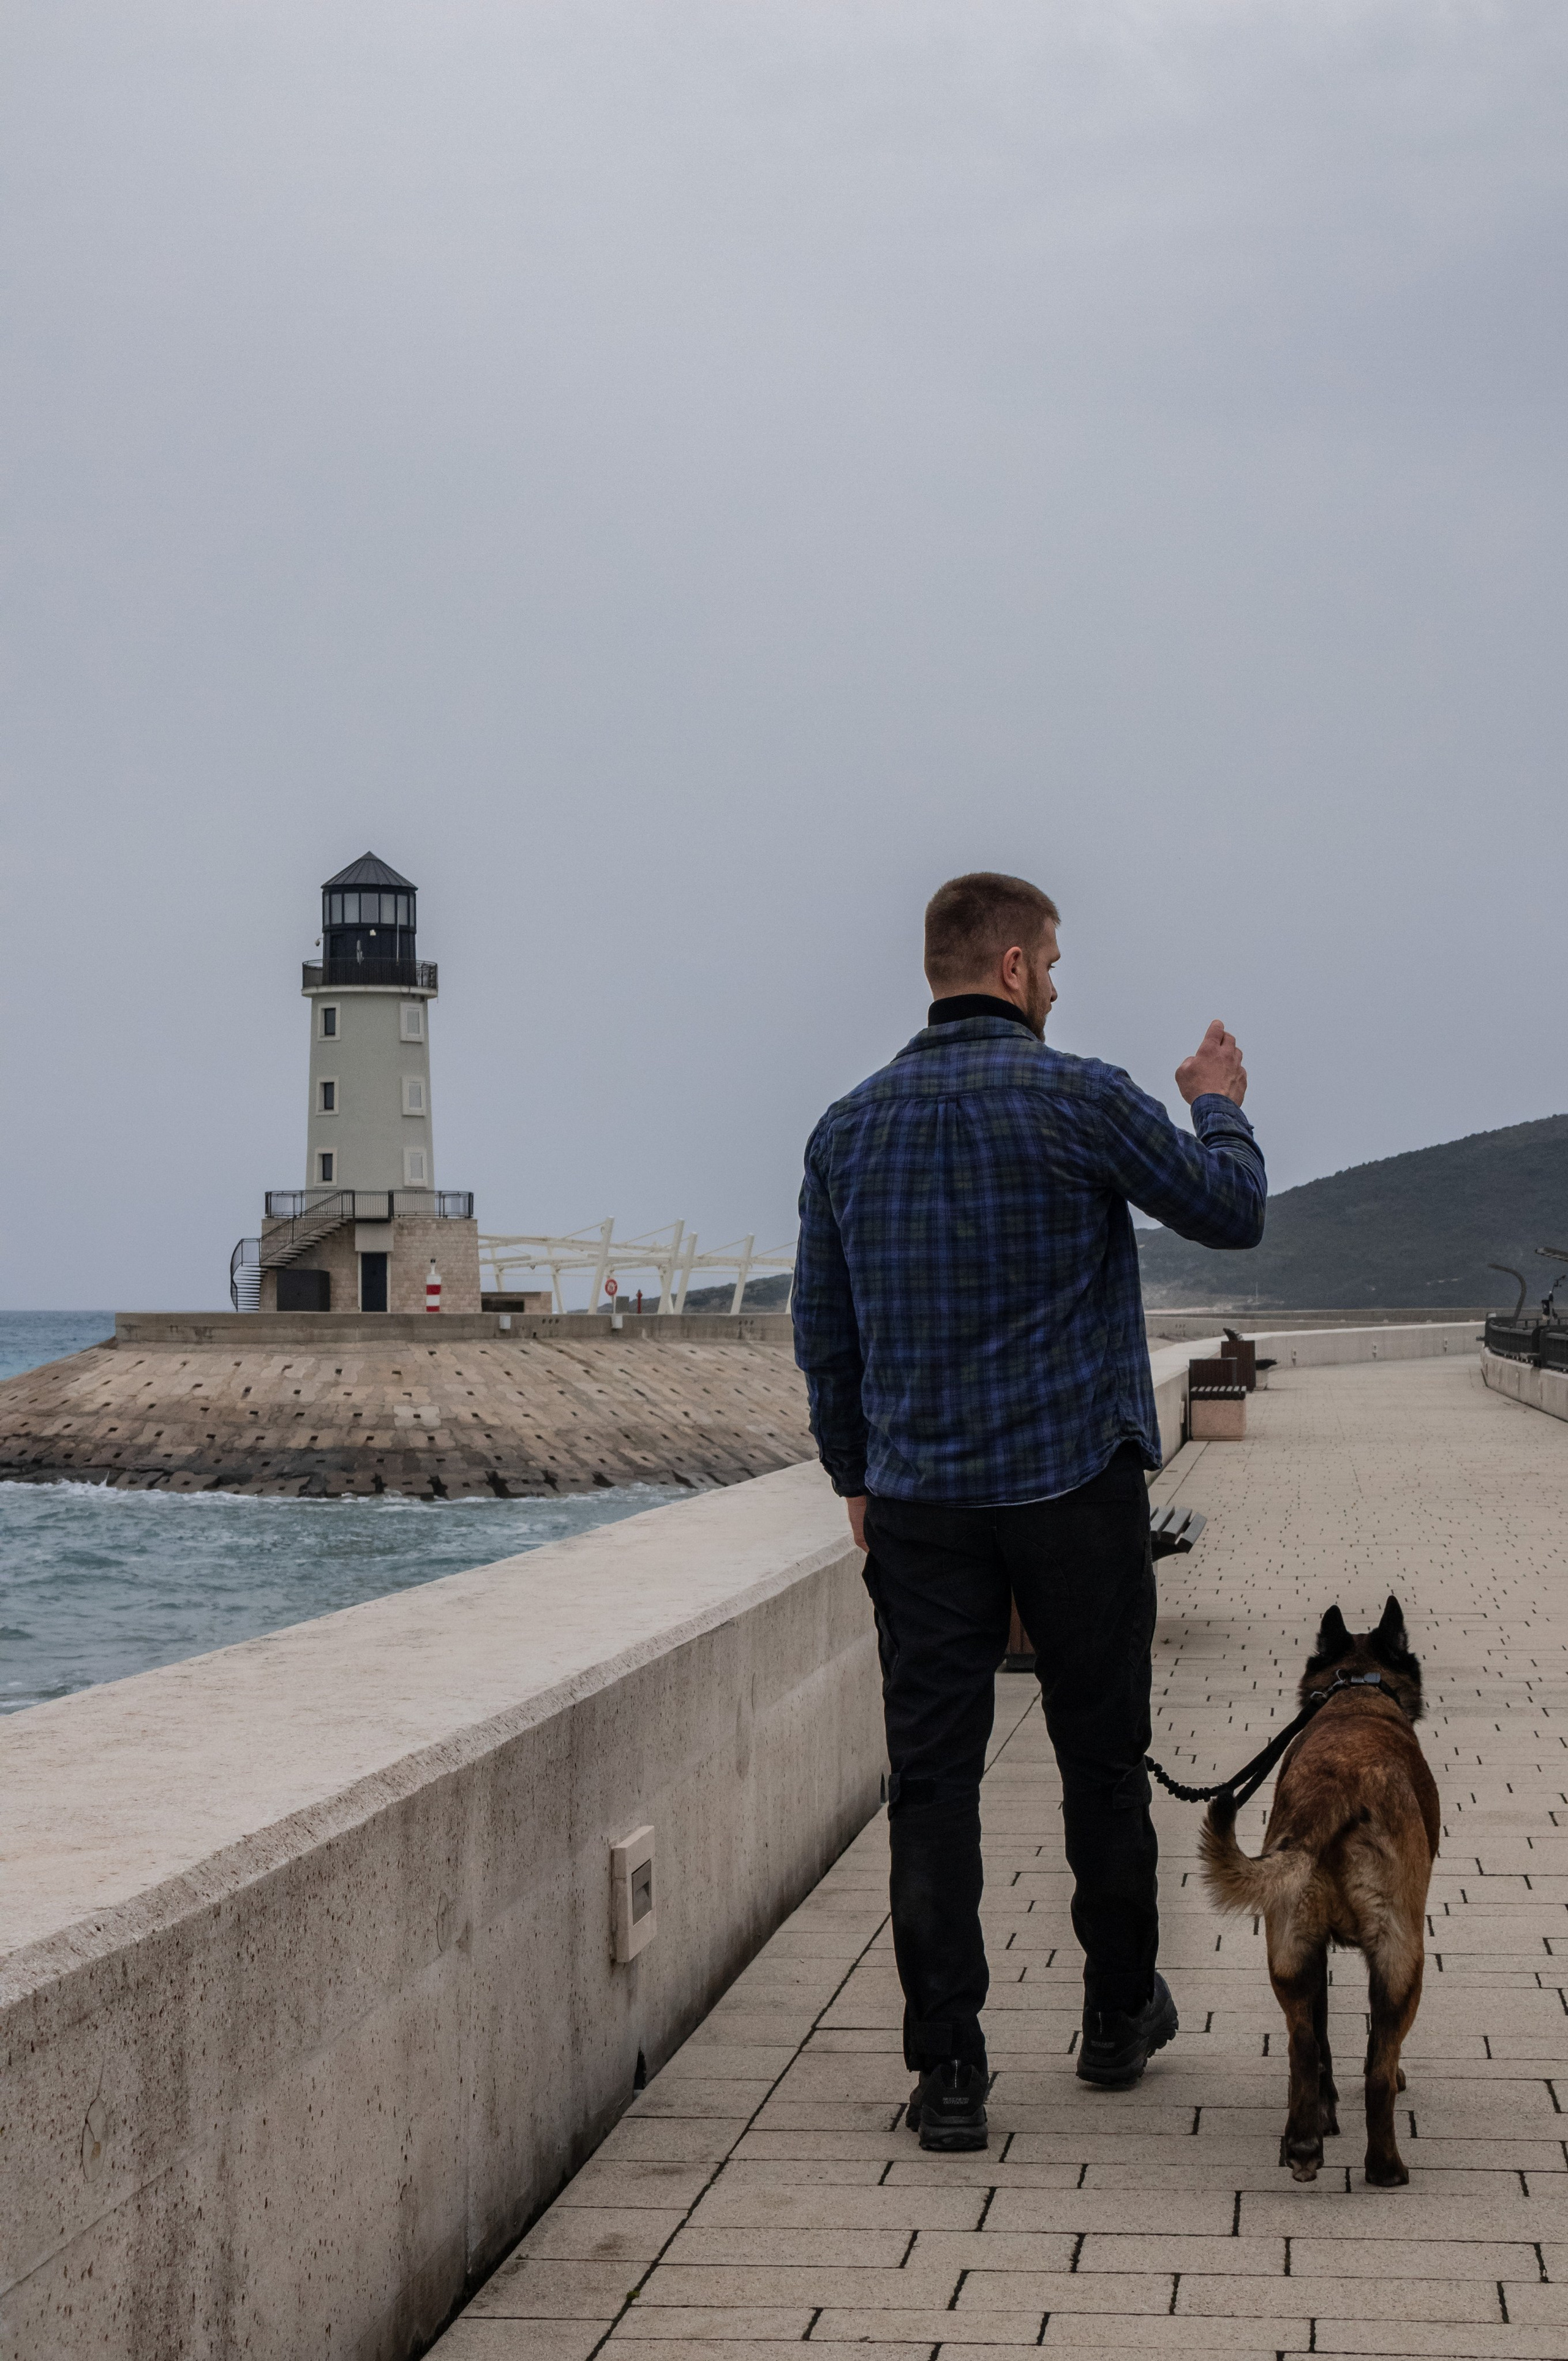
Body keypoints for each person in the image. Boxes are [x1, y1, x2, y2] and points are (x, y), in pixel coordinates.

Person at [791, 871, 1265, 2152]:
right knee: (1099, 1762)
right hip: (1072, 1489)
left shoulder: (844, 1129)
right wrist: (1216, 1105)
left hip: (922, 1502)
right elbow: (1228, 1212)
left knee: (930, 1783)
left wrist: (854, 1474)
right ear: (1008, 963)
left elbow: (823, 1337)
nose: (1056, 981)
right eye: (1050, 961)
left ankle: (948, 2072)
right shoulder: (1081, 1096)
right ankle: (1115, 2014)